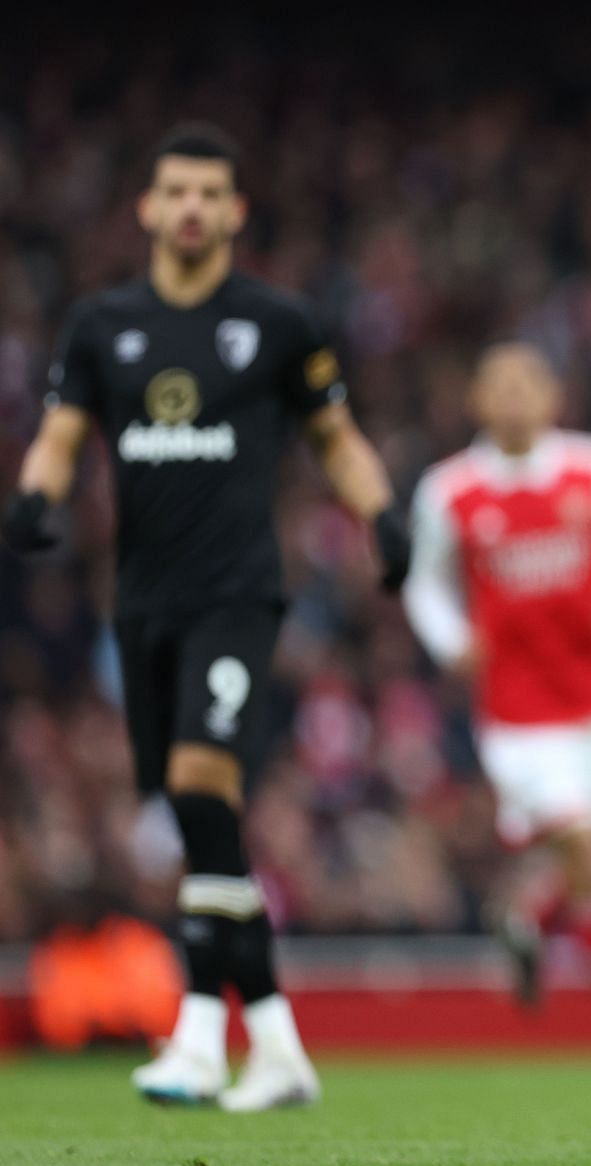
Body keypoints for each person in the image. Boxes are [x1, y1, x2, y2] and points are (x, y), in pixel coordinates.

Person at [3, 122, 411, 1110]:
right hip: (138, 606)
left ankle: (196, 1034)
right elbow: (60, 435)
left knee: (198, 783)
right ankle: (271, 1042)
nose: (191, 208)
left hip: (237, 592)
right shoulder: (104, 327)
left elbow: (337, 436)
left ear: (234, 212)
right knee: (199, 822)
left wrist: (383, 515)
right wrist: (35, 498)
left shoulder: (276, 324)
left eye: (209, 194)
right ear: (148, 208)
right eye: (174, 191)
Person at [403, 343, 591, 1076]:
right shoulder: (450, 490)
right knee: (588, 851)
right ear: (477, 402)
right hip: (518, 711)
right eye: (499, 387)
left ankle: (528, 920)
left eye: (527, 385)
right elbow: (423, 584)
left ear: (552, 397)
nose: (515, 399)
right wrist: (449, 639)